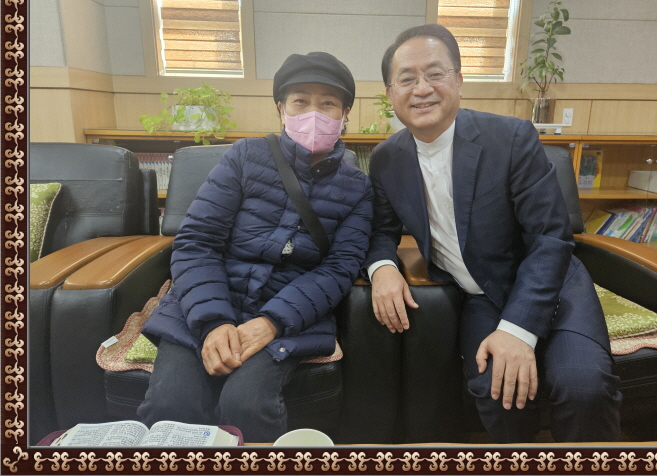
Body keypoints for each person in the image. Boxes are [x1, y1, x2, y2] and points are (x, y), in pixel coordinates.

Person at [365, 24, 621, 443]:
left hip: (552, 287)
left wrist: (517, 331)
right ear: (391, 94)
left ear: (459, 80)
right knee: (496, 390)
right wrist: (383, 269)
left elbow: (551, 238)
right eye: (407, 79)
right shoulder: (386, 159)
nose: (422, 89)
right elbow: (380, 230)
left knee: (582, 387)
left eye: (435, 74)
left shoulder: (511, 138)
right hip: (481, 295)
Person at [138, 52, 373, 443]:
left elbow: (339, 269)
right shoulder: (245, 156)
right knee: (171, 402)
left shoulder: (358, 187)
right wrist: (214, 323)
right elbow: (197, 242)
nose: (313, 113)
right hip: (206, 301)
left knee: (245, 403)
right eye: (300, 101)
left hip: (290, 314)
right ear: (281, 108)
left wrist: (272, 322)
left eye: (328, 103)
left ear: (345, 113)